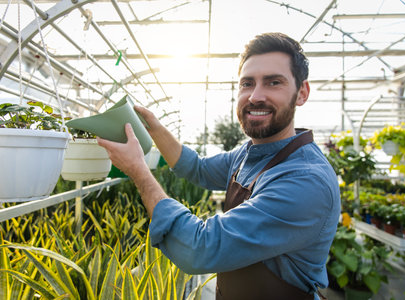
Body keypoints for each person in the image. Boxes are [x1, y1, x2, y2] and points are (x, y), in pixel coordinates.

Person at [97, 32, 340, 300]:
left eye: (273, 82)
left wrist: (138, 170)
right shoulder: (248, 154)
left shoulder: (305, 180)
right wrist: (155, 128)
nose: (255, 96)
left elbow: (200, 248)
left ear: (301, 93)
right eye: (247, 83)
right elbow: (196, 168)